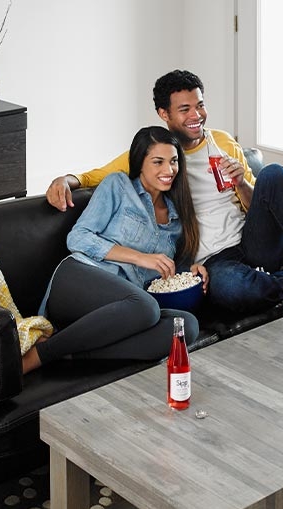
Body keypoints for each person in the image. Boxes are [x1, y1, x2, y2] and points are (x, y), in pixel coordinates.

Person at [46, 70, 283, 313]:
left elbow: (256, 205)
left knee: (275, 174)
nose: (197, 116)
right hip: (212, 260)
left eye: (200, 105)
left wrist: (242, 183)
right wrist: (66, 179)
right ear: (164, 115)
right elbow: (98, 175)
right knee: (232, 290)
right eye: (185, 110)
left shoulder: (222, 142)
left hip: (252, 240)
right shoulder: (162, 155)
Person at [22, 126, 206, 374]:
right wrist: (141, 258)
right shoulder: (118, 185)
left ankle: (69, 351)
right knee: (146, 307)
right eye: (158, 162)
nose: (169, 170)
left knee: (185, 326)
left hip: (122, 309)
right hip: (80, 277)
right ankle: (39, 355)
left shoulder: (176, 219)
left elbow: (163, 269)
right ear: (140, 162)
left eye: (174, 161)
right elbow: (77, 238)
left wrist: (190, 272)